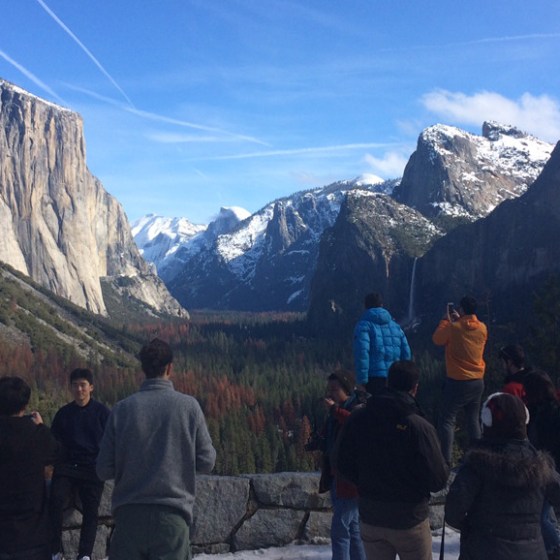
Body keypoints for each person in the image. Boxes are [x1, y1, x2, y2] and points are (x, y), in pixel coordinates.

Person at [96, 338, 216, 560]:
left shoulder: (122, 410)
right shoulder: (188, 407)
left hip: (128, 519)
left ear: (143, 369)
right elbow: (207, 461)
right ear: (170, 368)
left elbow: (103, 469)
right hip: (172, 519)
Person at [337, 361, 448, 560]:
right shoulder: (419, 427)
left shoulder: (358, 418)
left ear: (388, 382)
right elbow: (438, 480)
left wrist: (364, 484)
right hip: (409, 518)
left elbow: (342, 463)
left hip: (371, 515)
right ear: (415, 388)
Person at [445, 392, 560, 560]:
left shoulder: (476, 466)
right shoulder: (541, 466)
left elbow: (453, 512)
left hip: (483, 552)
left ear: (487, 422)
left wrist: (472, 530)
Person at [49, 368, 110, 560]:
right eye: (75, 385)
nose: (79, 389)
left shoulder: (102, 413)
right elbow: (54, 443)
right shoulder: (63, 414)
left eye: (83, 385)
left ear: (91, 387)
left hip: (92, 467)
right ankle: (55, 551)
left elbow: (111, 443)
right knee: (55, 500)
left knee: (91, 509)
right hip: (67, 467)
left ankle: (84, 555)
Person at [0, 376, 61, 560]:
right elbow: (57, 454)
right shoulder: (38, 435)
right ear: (25, 405)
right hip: (33, 536)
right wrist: (42, 426)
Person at [432, 295, 488, 465]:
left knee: (447, 419)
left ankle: (445, 461)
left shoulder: (453, 327)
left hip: (457, 380)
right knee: (473, 418)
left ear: (462, 309)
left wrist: (445, 320)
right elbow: (467, 331)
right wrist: (460, 320)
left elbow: (437, 339)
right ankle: (476, 457)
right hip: (478, 381)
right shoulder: (483, 328)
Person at [319, 370, 366, 560]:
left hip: (350, 480)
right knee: (353, 530)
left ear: (346, 389)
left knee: (340, 531)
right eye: (328, 388)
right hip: (336, 477)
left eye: (334, 389)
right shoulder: (337, 410)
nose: (330, 393)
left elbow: (356, 424)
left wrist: (333, 411)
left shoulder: (358, 408)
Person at [524, 371, 560, 559]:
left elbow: (541, 443)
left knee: (539, 516)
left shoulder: (545, 413)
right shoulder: (549, 409)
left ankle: (554, 548)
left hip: (547, 470)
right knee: (545, 514)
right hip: (548, 469)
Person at [353, 292, 411, 395]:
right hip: (395, 378)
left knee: (376, 410)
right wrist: (406, 379)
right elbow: (406, 353)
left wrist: (361, 381)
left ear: (365, 306)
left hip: (374, 379)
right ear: (382, 305)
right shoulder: (396, 327)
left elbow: (362, 354)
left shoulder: (363, 326)